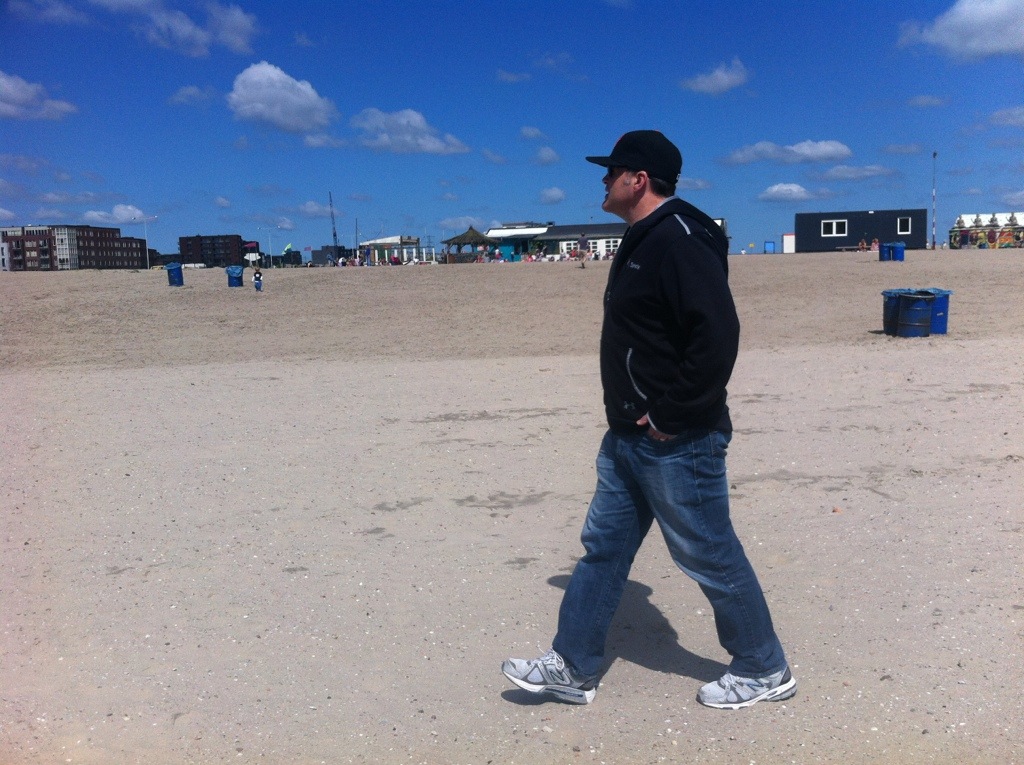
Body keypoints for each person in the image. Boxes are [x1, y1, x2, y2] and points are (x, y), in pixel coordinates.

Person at [501, 130, 795, 709]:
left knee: (707, 552)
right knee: (604, 549)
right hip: (628, 435)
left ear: (638, 180)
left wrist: (671, 412)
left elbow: (717, 336)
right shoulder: (646, 236)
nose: (603, 180)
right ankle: (573, 666)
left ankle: (765, 667)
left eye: (612, 172)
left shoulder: (680, 238)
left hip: (676, 437)